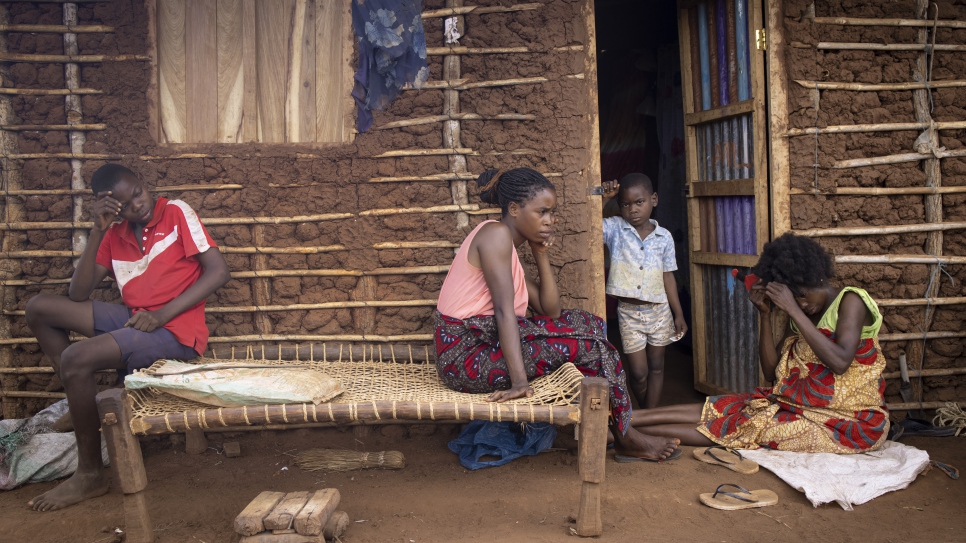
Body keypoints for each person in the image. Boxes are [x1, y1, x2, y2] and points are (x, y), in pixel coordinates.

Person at [434, 168, 680, 462]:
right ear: (514, 209)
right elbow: (503, 312)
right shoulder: (495, 235)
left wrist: (540, 253)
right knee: (591, 347)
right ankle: (625, 436)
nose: (550, 220)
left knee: (591, 325)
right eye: (543, 212)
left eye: (552, 213)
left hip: (481, 344)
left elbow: (550, 311)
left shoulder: (506, 246)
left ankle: (615, 427)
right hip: (464, 357)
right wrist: (519, 383)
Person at [25, 164, 231, 511]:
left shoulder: (175, 212)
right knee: (39, 308)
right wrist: (97, 231)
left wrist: (162, 315)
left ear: (145, 184)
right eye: (125, 203)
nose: (137, 204)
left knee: (77, 359)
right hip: (137, 322)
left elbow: (219, 271)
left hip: (175, 332)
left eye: (138, 193)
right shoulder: (114, 233)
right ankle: (84, 408)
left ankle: (90, 474)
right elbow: (78, 293)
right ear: (112, 208)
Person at [628, 233, 890, 454]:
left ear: (818, 277)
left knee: (749, 425)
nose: (802, 304)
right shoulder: (802, 317)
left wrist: (793, 310)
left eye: (801, 295)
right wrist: (765, 315)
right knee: (728, 405)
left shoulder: (851, 301)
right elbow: (772, 373)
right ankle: (626, 418)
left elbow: (841, 362)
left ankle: (619, 434)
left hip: (847, 421)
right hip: (796, 405)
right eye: (794, 300)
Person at [600, 174, 687, 409]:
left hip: (659, 312)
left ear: (654, 200)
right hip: (628, 314)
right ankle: (648, 416)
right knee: (638, 374)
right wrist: (602, 199)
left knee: (657, 368)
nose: (633, 210)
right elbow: (588, 227)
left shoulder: (664, 237)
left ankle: (648, 419)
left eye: (639, 202)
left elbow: (668, 276)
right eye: (626, 204)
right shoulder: (615, 228)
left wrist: (678, 314)